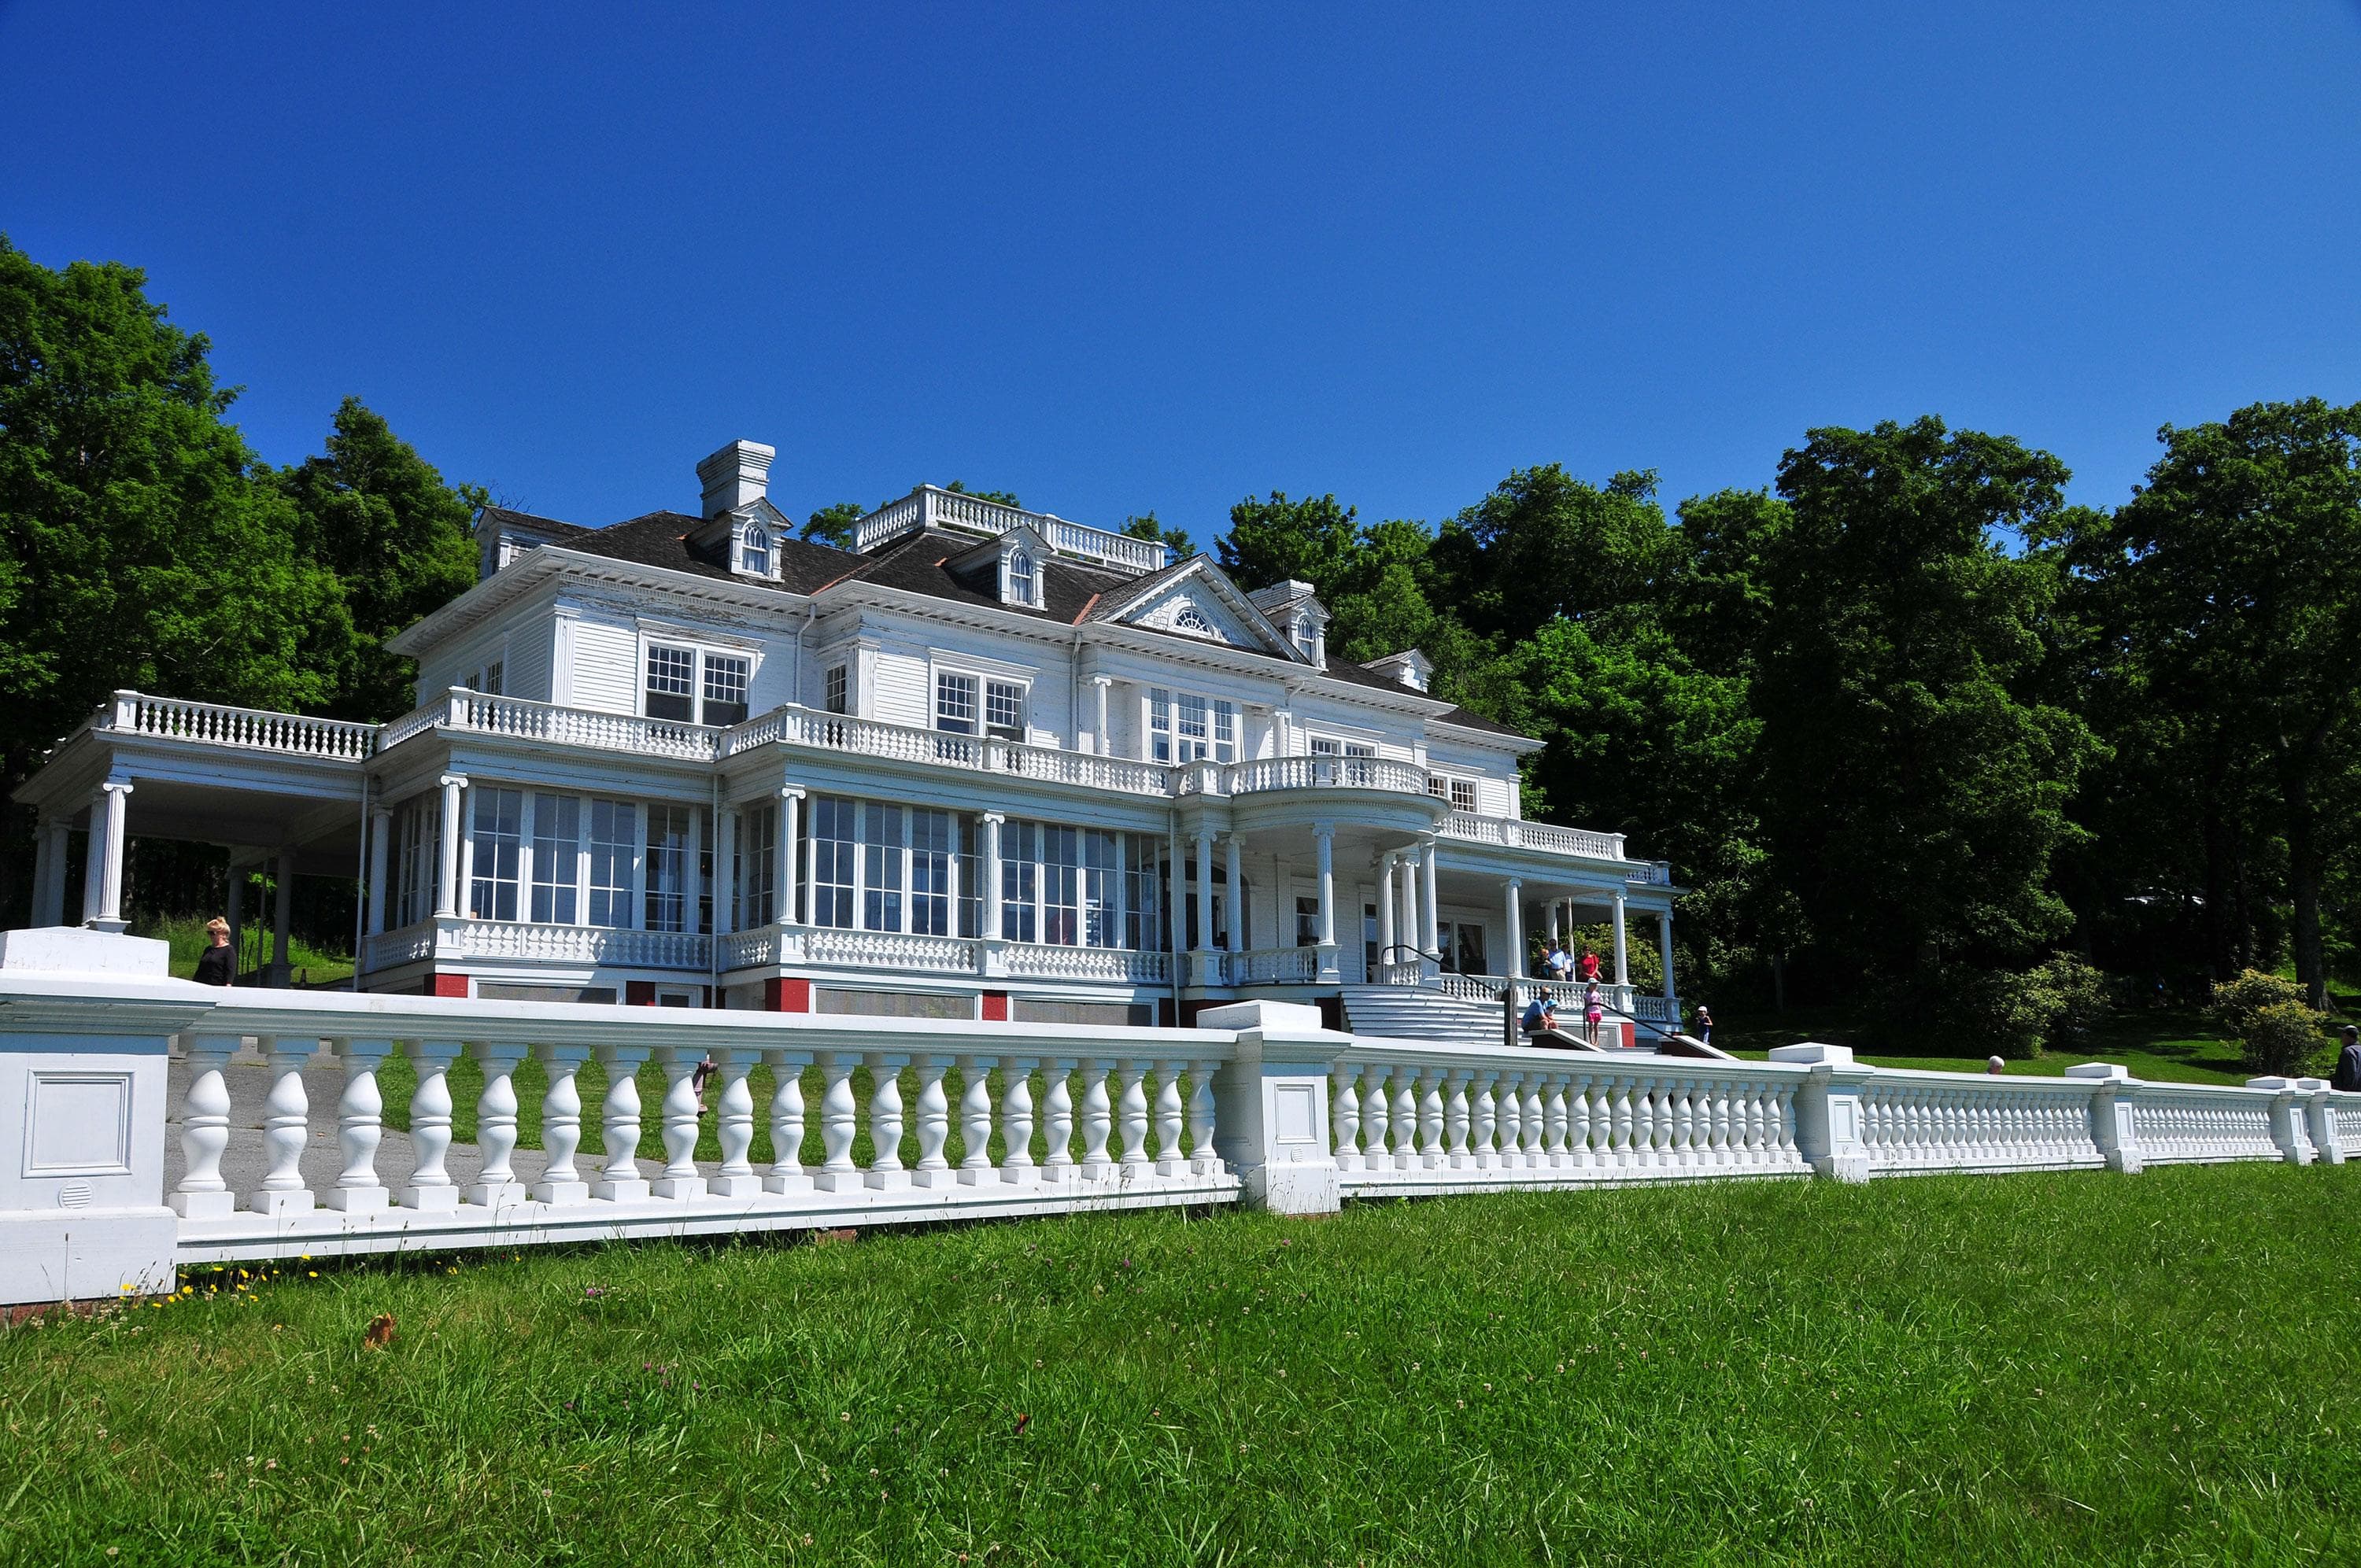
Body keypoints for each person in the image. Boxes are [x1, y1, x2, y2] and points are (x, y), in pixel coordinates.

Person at [192, 917, 235, 987]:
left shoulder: (229, 950)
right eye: (209, 932)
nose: (210, 935)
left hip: (218, 986)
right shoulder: (208, 949)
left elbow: (230, 971)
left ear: (223, 934)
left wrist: (228, 985)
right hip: (202, 985)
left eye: (212, 933)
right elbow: (200, 969)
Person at [2335, 1025, 2361, 1093]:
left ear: (2346, 1036)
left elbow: (2351, 1073)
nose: (2341, 1038)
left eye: (2342, 1035)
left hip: (2350, 1095)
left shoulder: (2348, 1052)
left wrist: (2346, 1092)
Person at [1583, 981, 1605, 1049]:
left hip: (1597, 1011)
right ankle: (1591, 1040)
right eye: (1593, 985)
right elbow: (1586, 1004)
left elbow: (1599, 1003)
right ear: (1590, 985)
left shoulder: (1597, 994)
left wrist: (1600, 1011)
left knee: (1596, 1026)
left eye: (1596, 985)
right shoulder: (1587, 995)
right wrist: (1586, 1013)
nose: (1595, 986)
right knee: (1591, 1026)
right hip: (1590, 1011)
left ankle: (1596, 1041)